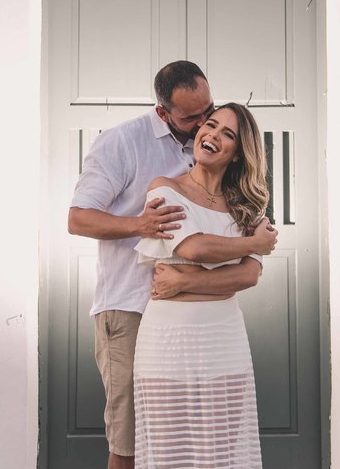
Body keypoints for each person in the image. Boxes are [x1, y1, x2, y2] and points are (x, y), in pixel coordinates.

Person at [68, 62, 278, 469]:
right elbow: (78, 219)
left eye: (209, 113)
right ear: (164, 112)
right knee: (131, 444)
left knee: (208, 443)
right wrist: (140, 224)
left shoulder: (214, 163)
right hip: (131, 306)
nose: (203, 124)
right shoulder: (123, 144)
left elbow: (246, 270)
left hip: (199, 321)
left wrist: (188, 280)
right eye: (193, 118)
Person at [132, 103, 269, 469]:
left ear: (239, 153)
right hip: (167, 341)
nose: (214, 135)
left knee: (219, 454)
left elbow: (248, 276)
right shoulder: (164, 188)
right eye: (211, 125)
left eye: (228, 134)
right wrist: (252, 245)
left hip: (224, 339)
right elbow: (194, 246)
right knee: (168, 452)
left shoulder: (249, 205)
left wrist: (187, 279)